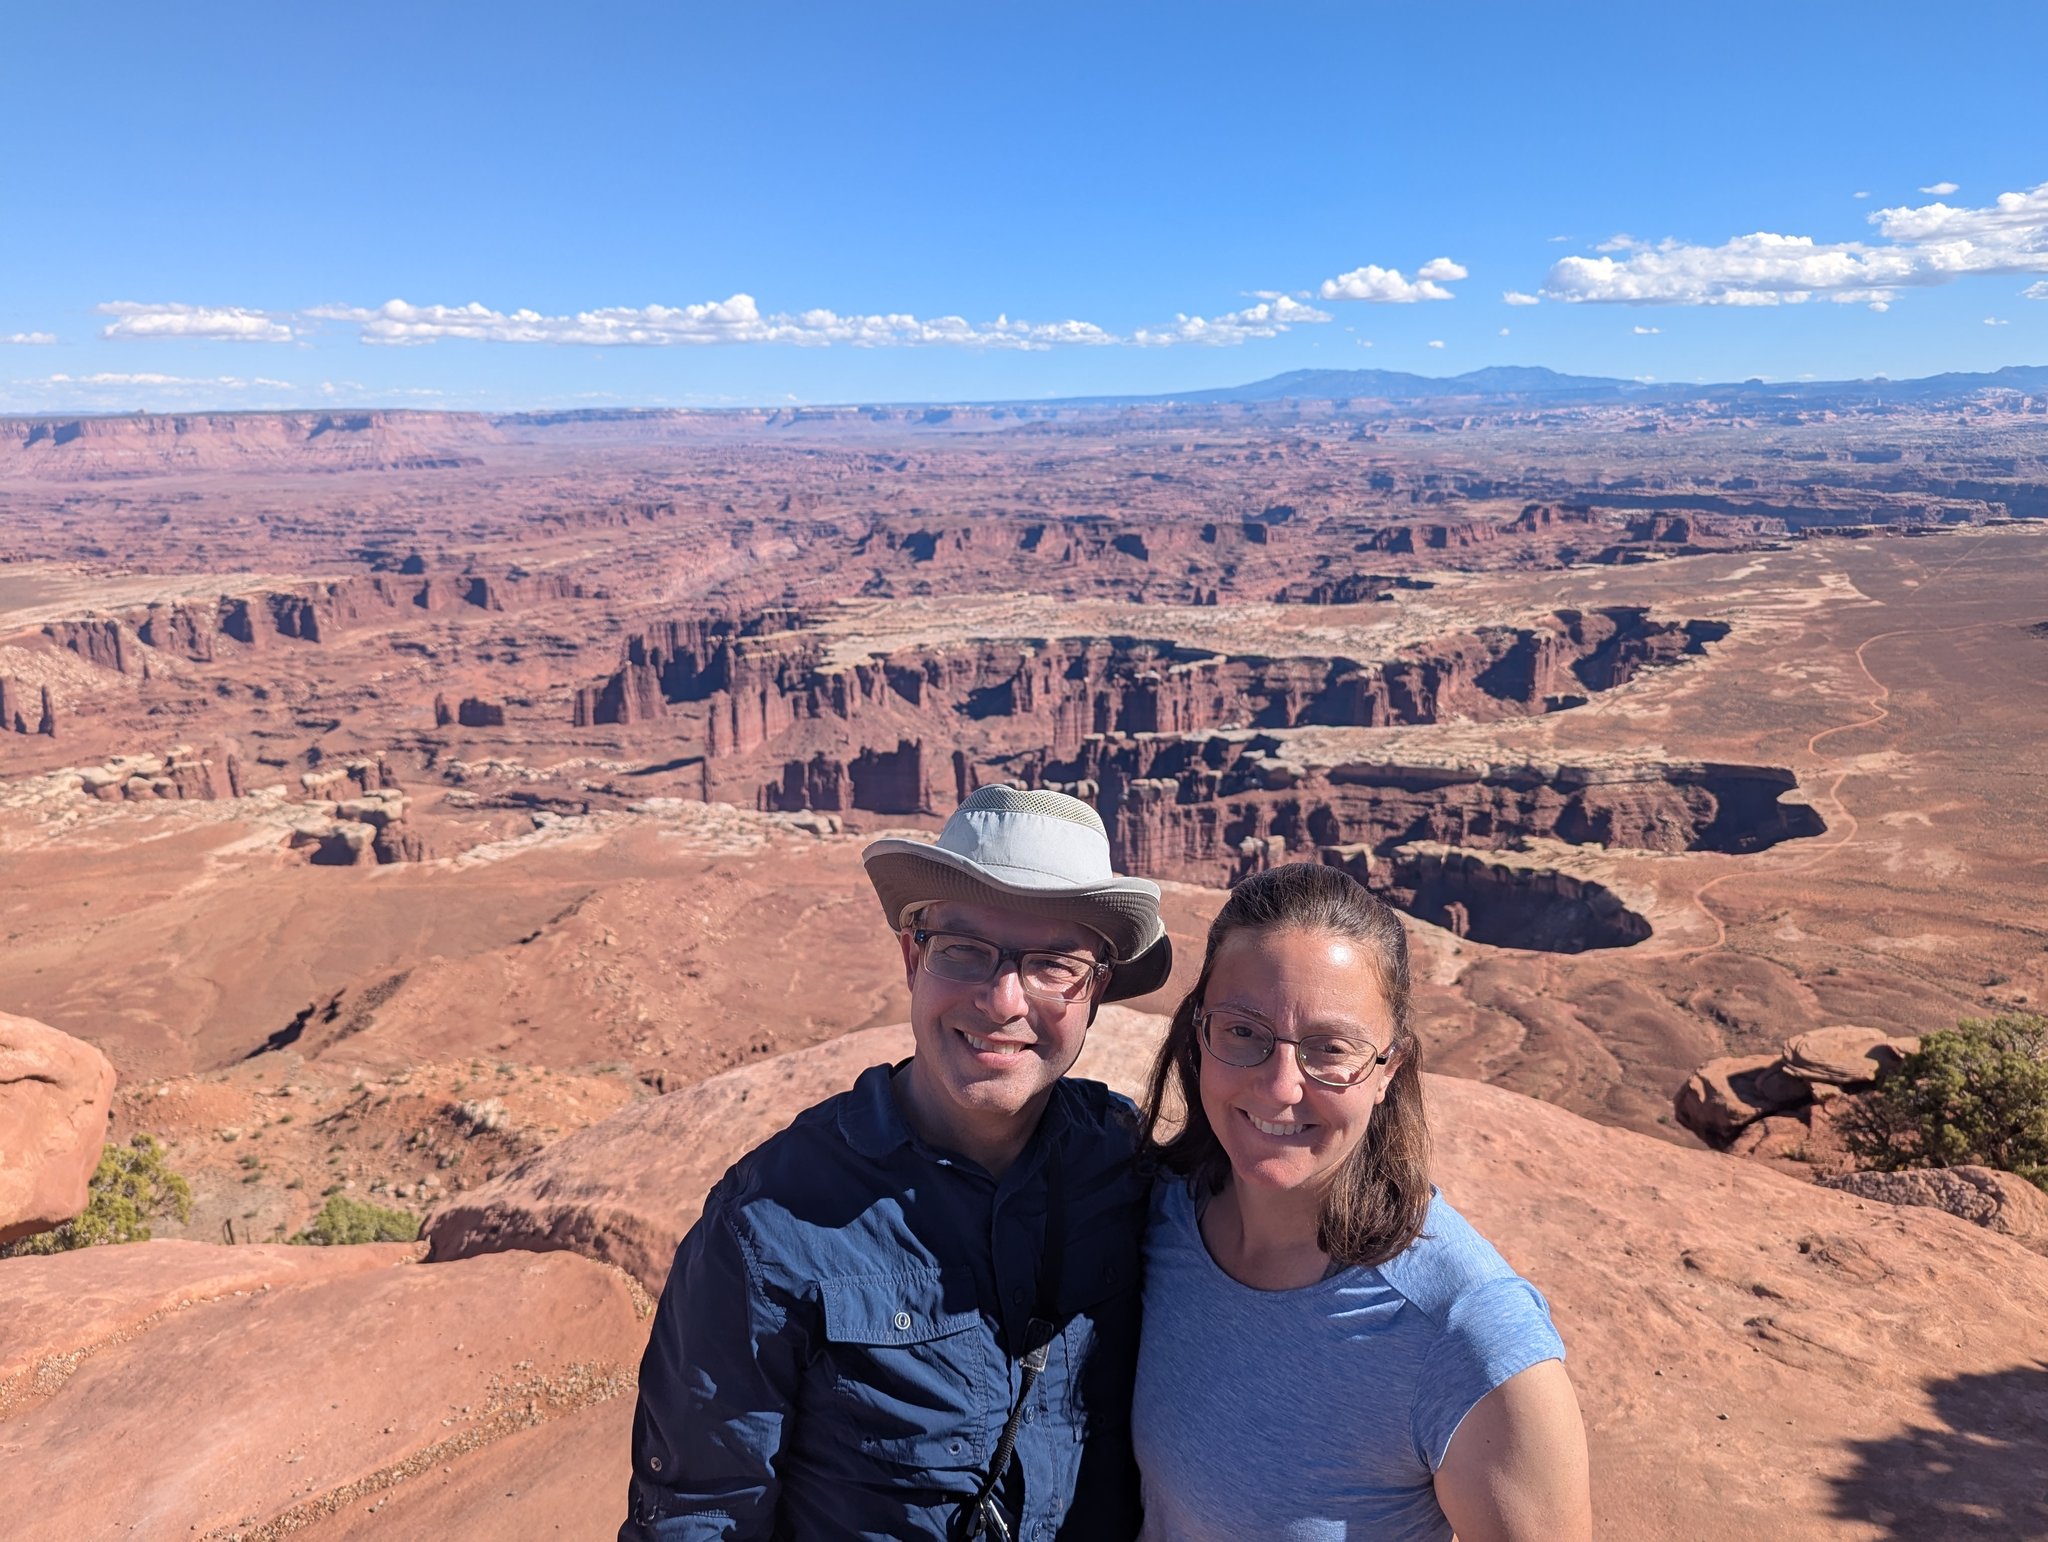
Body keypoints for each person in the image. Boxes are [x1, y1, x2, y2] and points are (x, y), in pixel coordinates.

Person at [624, 785, 1173, 1542]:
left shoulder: (1130, 1169)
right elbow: (699, 1517)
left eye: (1053, 965)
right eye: (965, 951)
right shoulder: (771, 1224)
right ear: (913, 958)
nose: (1003, 1000)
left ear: (1097, 991)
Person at [1133, 862, 1592, 1542]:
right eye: (1242, 1031)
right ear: (1199, 1034)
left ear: (1389, 1069)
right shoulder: (1159, 1217)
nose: (1281, 1085)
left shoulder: (1466, 1332)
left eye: (1331, 1049)